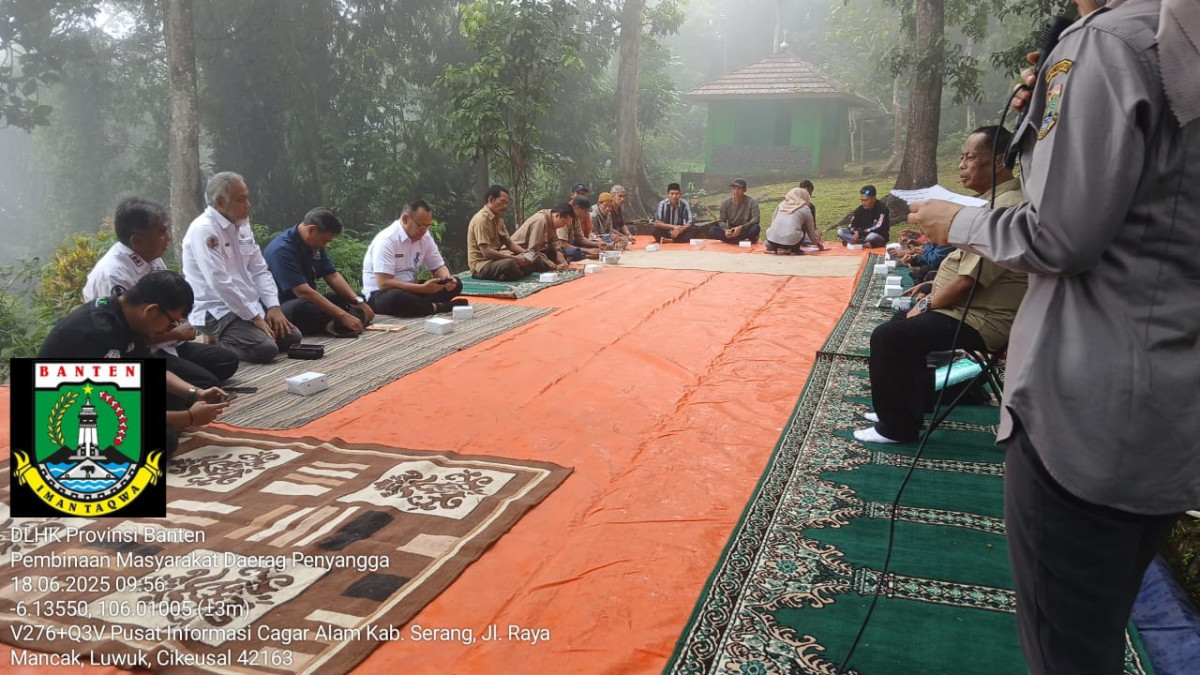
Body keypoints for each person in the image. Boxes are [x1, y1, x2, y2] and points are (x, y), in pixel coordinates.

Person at [908, 1, 1200, 671]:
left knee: (1066, 650)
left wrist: (958, 221)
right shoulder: (1177, 38)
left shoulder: (1107, 46)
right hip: (1172, 402)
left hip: (1084, 405)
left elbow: (1059, 235)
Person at [856, 125, 1027, 444]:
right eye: (961, 157)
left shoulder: (1004, 208)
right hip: (966, 309)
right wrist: (928, 291)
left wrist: (927, 305)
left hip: (983, 319)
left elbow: (967, 281)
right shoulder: (991, 202)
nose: (961, 165)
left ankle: (897, 428)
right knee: (899, 325)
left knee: (890, 337)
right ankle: (903, 408)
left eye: (970, 157)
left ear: (999, 161)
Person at [39, 270, 230, 457]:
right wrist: (188, 418)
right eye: (171, 323)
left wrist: (196, 393)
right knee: (165, 440)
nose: (169, 329)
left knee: (181, 395)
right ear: (152, 310)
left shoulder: (126, 315)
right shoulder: (99, 333)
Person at [83, 197, 238, 389]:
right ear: (137, 240)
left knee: (227, 361)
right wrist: (174, 333)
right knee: (206, 382)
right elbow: (126, 339)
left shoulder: (152, 258)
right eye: (162, 232)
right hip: (137, 352)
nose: (168, 239)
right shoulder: (114, 275)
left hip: (167, 343)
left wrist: (179, 328)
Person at [182, 171, 301, 363]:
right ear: (220, 202)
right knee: (266, 349)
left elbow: (260, 269)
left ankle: (242, 335)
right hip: (217, 309)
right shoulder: (204, 230)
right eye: (241, 199)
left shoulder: (242, 226)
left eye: (247, 198)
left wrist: (273, 306)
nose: (248, 205)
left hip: (248, 306)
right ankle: (217, 344)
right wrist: (255, 318)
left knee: (292, 338)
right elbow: (220, 282)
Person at [264, 207, 374, 335]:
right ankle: (338, 323)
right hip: (284, 307)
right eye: (324, 241)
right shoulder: (281, 250)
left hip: (311, 302)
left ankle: (338, 322)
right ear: (311, 229)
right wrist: (342, 315)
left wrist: (358, 302)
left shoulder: (315, 245)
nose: (324, 246)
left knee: (343, 297)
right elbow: (302, 292)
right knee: (302, 309)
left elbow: (332, 275)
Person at [363, 199, 467, 316]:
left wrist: (447, 279)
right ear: (405, 219)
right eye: (420, 226)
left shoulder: (425, 237)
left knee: (457, 284)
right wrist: (422, 288)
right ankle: (438, 307)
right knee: (397, 298)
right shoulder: (387, 240)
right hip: (381, 294)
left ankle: (421, 306)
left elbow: (438, 266)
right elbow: (384, 283)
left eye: (427, 226)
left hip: (413, 288)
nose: (424, 231)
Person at [467, 185, 554, 281]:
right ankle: (509, 274)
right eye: (502, 202)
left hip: (496, 261)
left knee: (533, 260)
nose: (505, 206)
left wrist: (526, 254)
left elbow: (509, 243)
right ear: (491, 199)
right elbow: (486, 252)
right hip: (482, 265)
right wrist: (516, 259)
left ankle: (507, 275)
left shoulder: (499, 220)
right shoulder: (481, 219)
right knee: (510, 264)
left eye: (507, 203)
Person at [511, 203, 574, 271]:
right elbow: (533, 251)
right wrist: (554, 266)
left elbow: (555, 244)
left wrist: (562, 260)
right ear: (557, 216)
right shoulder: (541, 221)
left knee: (558, 252)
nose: (564, 226)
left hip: (534, 251)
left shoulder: (552, 222)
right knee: (535, 261)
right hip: (517, 252)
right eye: (564, 223)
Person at [764, 188, 824, 254]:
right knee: (804, 228)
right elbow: (811, 232)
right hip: (792, 243)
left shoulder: (780, 205)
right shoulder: (805, 209)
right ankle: (793, 250)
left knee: (771, 241)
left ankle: (777, 248)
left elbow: (772, 222)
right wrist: (818, 244)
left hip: (773, 242)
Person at [707, 178, 761, 244]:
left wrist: (742, 227)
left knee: (755, 228)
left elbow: (756, 219)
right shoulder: (725, 203)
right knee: (712, 230)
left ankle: (732, 240)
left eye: (739, 188)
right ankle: (736, 240)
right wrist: (726, 230)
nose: (736, 191)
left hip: (745, 229)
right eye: (734, 188)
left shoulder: (752, 202)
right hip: (732, 231)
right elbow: (721, 220)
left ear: (745, 190)